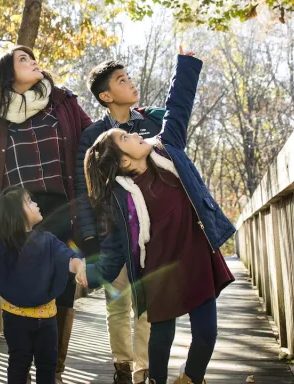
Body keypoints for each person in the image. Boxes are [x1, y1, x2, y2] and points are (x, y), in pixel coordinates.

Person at [82, 47, 236, 384]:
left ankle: (192, 377)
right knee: (160, 339)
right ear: (123, 161)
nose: (137, 133)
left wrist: (186, 64)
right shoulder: (121, 195)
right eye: (127, 137)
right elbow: (115, 238)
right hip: (159, 266)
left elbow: (178, 108)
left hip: (196, 253)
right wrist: (93, 270)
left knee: (207, 333)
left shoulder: (169, 149)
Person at [0, 45, 92, 382]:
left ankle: (54, 368)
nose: (33, 62)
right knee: (21, 280)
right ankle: (20, 367)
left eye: (33, 58)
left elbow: (93, 138)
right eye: (23, 59)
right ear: (5, 72)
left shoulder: (61, 100)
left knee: (61, 284)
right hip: (19, 210)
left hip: (60, 205)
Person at [75, 61, 164, 384]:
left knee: (146, 305)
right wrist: (89, 238)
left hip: (150, 230)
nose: (131, 83)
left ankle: (144, 368)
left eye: (129, 77)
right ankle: (122, 366)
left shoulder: (151, 126)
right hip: (111, 232)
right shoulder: (93, 135)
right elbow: (82, 188)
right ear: (106, 95)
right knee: (117, 303)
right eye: (122, 80)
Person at [0, 187, 86, 384]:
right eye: (30, 202)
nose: (36, 204)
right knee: (18, 364)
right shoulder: (4, 247)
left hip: (47, 319)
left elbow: (67, 256)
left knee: (47, 365)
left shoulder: (47, 240)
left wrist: (79, 266)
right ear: (18, 213)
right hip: (16, 320)